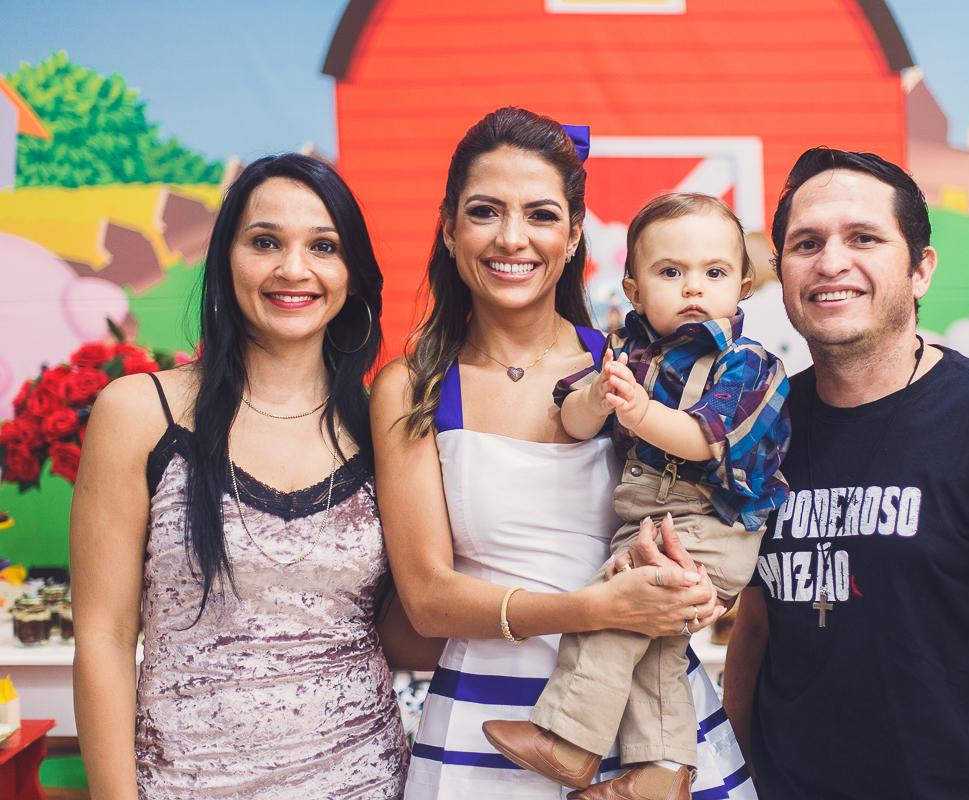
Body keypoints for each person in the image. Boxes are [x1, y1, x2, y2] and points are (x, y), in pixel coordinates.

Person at [721, 148, 969, 799]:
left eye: (864, 237)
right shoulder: (758, 427)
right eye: (807, 243)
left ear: (920, 270)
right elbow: (757, 627)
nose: (831, 261)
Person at [370, 107, 757, 800]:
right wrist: (596, 610)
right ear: (449, 226)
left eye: (542, 215)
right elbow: (427, 601)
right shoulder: (415, 386)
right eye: (485, 211)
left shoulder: (633, 368)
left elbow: (703, 507)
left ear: (574, 234)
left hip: (648, 731)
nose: (512, 238)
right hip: (485, 731)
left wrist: (697, 588)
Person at [71, 154, 441, 799]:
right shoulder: (138, 413)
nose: (293, 269)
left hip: (365, 782)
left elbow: (409, 621)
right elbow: (103, 638)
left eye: (323, 246)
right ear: (226, 260)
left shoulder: (388, 424)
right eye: (265, 241)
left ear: (352, 274)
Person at [482, 193, 790, 800]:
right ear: (634, 287)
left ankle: (570, 740)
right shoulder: (625, 354)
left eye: (715, 273)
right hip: (646, 519)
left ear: (744, 285)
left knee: (617, 613)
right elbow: (571, 420)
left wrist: (640, 410)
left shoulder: (749, 365)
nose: (693, 287)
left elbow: (704, 439)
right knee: (656, 646)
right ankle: (660, 774)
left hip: (711, 524)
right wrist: (597, 399)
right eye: (670, 272)